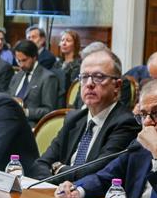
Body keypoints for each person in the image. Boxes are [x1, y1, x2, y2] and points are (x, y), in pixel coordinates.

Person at [30, 48, 140, 182]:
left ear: (117, 86)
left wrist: (58, 169)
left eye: (99, 77)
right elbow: (40, 164)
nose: (89, 84)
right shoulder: (74, 119)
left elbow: (98, 173)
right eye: (84, 77)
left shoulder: (126, 123)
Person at [7, 39, 59, 127]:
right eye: (18, 61)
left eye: (24, 60)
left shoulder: (48, 78)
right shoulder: (17, 76)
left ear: (34, 57)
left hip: (31, 124)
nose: (21, 65)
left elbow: (49, 110)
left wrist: (26, 112)